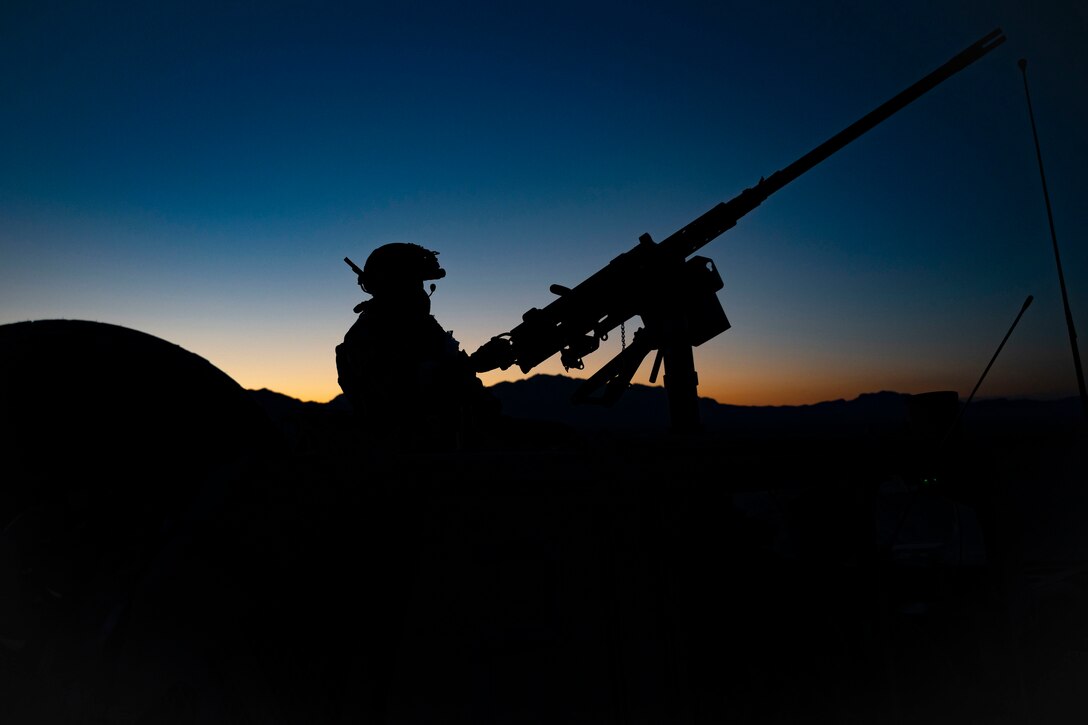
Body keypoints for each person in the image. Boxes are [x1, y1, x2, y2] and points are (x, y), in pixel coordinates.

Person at [335, 242, 502, 450]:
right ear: (393, 287)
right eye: (414, 285)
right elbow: (401, 400)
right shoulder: (368, 335)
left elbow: (470, 396)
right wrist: (471, 365)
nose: (422, 294)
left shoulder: (423, 329)